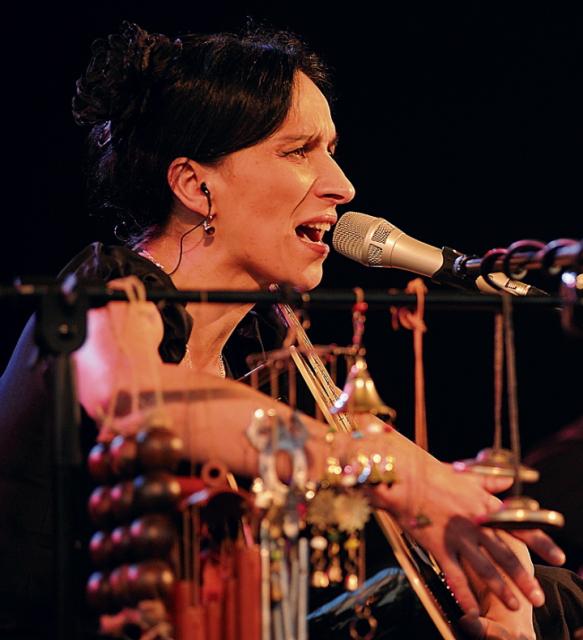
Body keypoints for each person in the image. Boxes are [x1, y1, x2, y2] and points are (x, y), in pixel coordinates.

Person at [0, 21, 573, 639]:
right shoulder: (108, 290)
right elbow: (140, 401)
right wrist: (399, 478)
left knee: (555, 597)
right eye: (299, 151)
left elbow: (391, 460)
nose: (342, 186)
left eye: (331, 149)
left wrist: (490, 557)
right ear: (195, 184)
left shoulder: (270, 351)